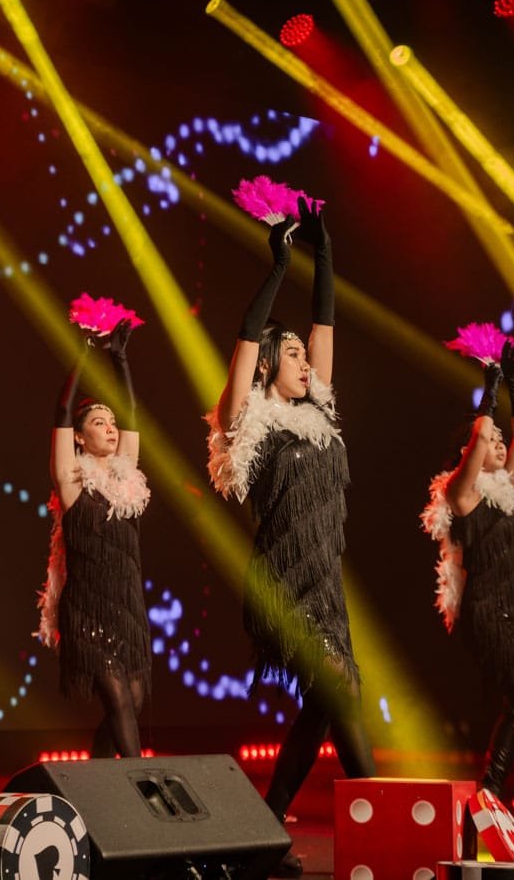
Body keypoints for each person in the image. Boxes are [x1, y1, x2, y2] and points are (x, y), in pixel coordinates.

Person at [206, 200, 374, 875]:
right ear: (270, 365)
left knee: (328, 704)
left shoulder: (318, 412)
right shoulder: (251, 421)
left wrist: (324, 255)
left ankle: (264, 826)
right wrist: (278, 267)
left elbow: (325, 323)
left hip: (325, 581)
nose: (307, 360)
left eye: (308, 353)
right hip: (282, 580)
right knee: (339, 689)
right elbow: (246, 342)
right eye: (295, 353)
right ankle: (385, 816)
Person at [421, 341, 514, 838]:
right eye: (491, 441)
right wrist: (490, 386)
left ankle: (488, 794)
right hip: (489, 612)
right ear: (470, 451)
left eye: (500, 440)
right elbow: (482, 433)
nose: (501, 444)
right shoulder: (461, 494)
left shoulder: (507, 490)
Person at [36, 319, 151, 758]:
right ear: (80, 439)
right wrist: (84, 355)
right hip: (88, 612)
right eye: (99, 423)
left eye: (111, 423)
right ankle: (142, 784)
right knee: (117, 697)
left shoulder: (126, 478)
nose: (111, 427)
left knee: (132, 700)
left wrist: (120, 359)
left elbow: (132, 414)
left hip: (127, 609)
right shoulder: (71, 482)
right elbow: (61, 414)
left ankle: (98, 779)